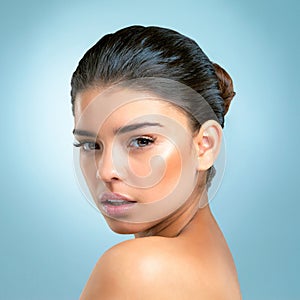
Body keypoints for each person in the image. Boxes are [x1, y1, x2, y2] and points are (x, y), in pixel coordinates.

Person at [71, 25, 241, 299]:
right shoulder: (214, 257)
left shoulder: (138, 268)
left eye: (142, 141)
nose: (105, 171)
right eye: (91, 145)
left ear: (204, 145)